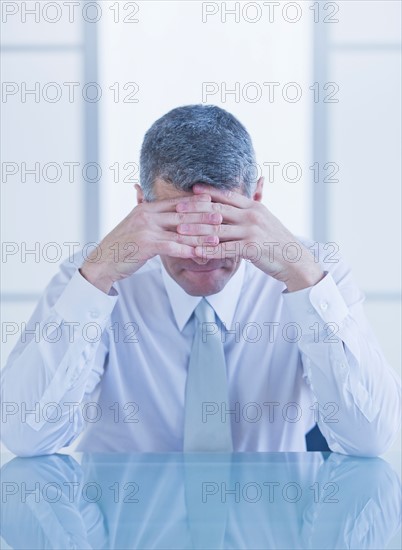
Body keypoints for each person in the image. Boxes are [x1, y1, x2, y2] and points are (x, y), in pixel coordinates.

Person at [1, 105, 400, 456]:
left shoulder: (315, 269)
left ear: (256, 200)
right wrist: (97, 278)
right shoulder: (93, 273)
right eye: (178, 224)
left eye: (223, 222)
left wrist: (307, 281)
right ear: (142, 205)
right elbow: (23, 436)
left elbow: (369, 439)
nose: (202, 251)